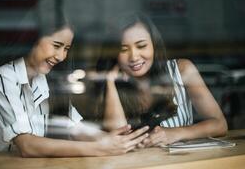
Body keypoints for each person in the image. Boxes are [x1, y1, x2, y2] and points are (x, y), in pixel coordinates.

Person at [0, 19, 149, 157]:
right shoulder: (5, 76)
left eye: (66, 49)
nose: (61, 56)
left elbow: (74, 128)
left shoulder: (44, 78)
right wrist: (100, 147)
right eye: (56, 45)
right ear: (33, 40)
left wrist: (116, 141)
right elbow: (27, 146)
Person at [96, 13, 228, 147]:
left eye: (141, 46)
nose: (134, 57)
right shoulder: (111, 82)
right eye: (123, 49)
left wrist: (176, 133)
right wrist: (110, 82)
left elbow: (219, 124)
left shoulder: (182, 70)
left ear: (154, 45)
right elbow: (118, 140)